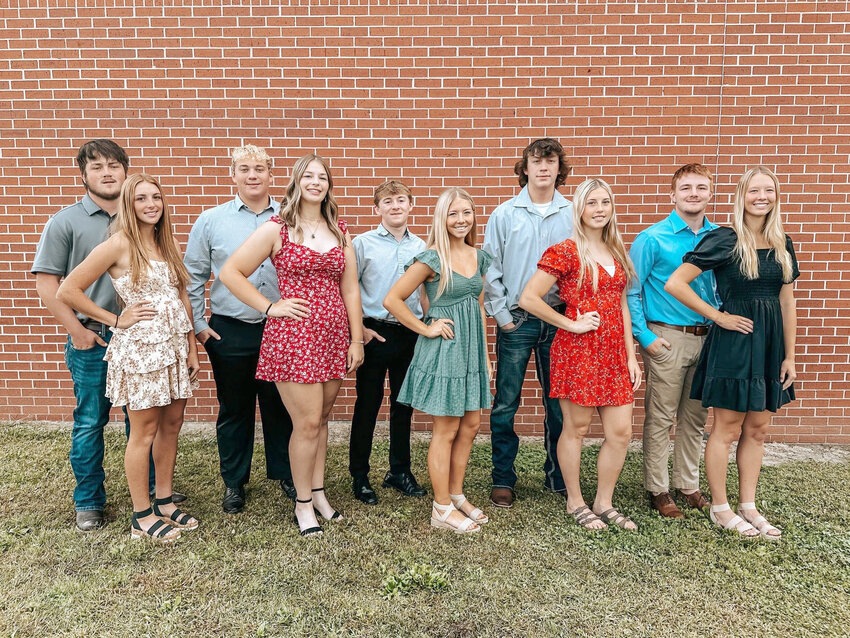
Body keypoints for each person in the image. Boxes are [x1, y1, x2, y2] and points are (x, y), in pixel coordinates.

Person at [31, 139, 179, 533]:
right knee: (91, 421)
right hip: (94, 336)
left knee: (142, 425)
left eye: (114, 165)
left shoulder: (152, 228)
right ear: (83, 174)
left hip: (151, 345)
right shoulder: (67, 222)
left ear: (125, 172)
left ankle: (148, 495)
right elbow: (51, 285)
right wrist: (79, 330)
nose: (107, 172)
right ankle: (90, 500)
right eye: (97, 166)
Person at [220, 153, 364, 537]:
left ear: (328, 185)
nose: (316, 182)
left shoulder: (340, 229)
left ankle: (317, 492)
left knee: (323, 420)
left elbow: (350, 287)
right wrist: (269, 307)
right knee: (306, 422)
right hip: (294, 337)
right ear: (297, 182)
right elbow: (230, 272)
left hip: (333, 337)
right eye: (309, 176)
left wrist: (356, 336)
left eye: (322, 177)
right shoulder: (277, 228)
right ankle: (302, 505)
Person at [57, 174, 200, 543]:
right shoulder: (118, 244)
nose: (151, 204)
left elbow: (181, 297)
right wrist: (115, 319)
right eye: (141, 199)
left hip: (173, 349)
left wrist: (191, 346)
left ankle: (164, 501)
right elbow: (68, 289)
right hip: (141, 352)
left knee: (171, 426)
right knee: (144, 431)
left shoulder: (165, 243)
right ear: (128, 204)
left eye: (156, 197)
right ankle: (141, 515)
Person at [666, 166, 798, 540]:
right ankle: (720, 509)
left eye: (769, 190)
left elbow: (787, 302)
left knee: (757, 428)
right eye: (755, 190)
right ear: (742, 195)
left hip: (770, 345)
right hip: (735, 344)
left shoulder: (781, 242)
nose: (762, 197)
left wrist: (789, 356)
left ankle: (748, 506)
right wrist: (718, 317)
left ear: (775, 196)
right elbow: (676, 283)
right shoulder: (725, 238)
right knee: (726, 428)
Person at [519, 178, 641, 530]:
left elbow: (620, 303)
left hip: (614, 354)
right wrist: (570, 324)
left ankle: (604, 502)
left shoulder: (617, 250)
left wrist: (631, 354)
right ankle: (575, 501)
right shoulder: (566, 250)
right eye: (592, 203)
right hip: (579, 351)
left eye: (605, 202)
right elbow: (528, 298)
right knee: (577, 428)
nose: (599, 209)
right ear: (580, 209)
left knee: (620, 433)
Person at [184, 145, 295, 514]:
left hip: (282, 328)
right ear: (233, 175)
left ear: (271, 175)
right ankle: (234, 482)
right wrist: (199, 325)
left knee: (282, 405)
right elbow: (194, 276)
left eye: (260, 168)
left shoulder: (291, 217)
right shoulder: (211, 220)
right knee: (235, 409)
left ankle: (286, 475)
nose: (253, 175)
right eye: (244, 168)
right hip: (230, 330)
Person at [384, 187, 493, 534]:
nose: (461, 220)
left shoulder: (479, 257)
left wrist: (486, 355)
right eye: (453, 213)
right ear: (442, 218)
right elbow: (393, 299)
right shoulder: (431, 258)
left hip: (471, 349)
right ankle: (441, 508)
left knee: (472, 425)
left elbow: (477, 305)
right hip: (445, 348)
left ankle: (457, 495)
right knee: (446, 429)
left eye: (467, 212)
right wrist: (425, 328)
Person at [483, 138, 573, 508]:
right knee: (506, 403)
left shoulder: (573, 211)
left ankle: (558, 475)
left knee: (558, 406)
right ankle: (503, 477)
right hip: (517, 322)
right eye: (536, 161)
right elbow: (490, 267)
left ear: (558, 168)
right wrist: (503, 317)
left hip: (559, 321)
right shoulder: (504, 214)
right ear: (525, 168)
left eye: (550, 161)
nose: (543, 168)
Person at [626, 163, 720, 518]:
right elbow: (631, 292)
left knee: (696, 417)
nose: (693, 194)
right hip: (667, 338)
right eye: (686, 188)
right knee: (662, 417)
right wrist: (645, 336)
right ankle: (658, 489)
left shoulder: (719, 238)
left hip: (708, 339)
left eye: (700, 187)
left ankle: (688, 484)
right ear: (672, 195)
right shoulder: (652, 238)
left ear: (710, 193)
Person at [348, 180, 427, 505]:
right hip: (373, 332)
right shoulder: (362, 244)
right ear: (376, 208)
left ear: (411, 205)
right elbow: (348, 288)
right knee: (367, 404)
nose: (395, 206)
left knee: (403, 405)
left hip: (408, 332)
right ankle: (359, 475)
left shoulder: (422, 246)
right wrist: (359, 330)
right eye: (388, 202)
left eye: (400, 200)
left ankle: (399, 471)